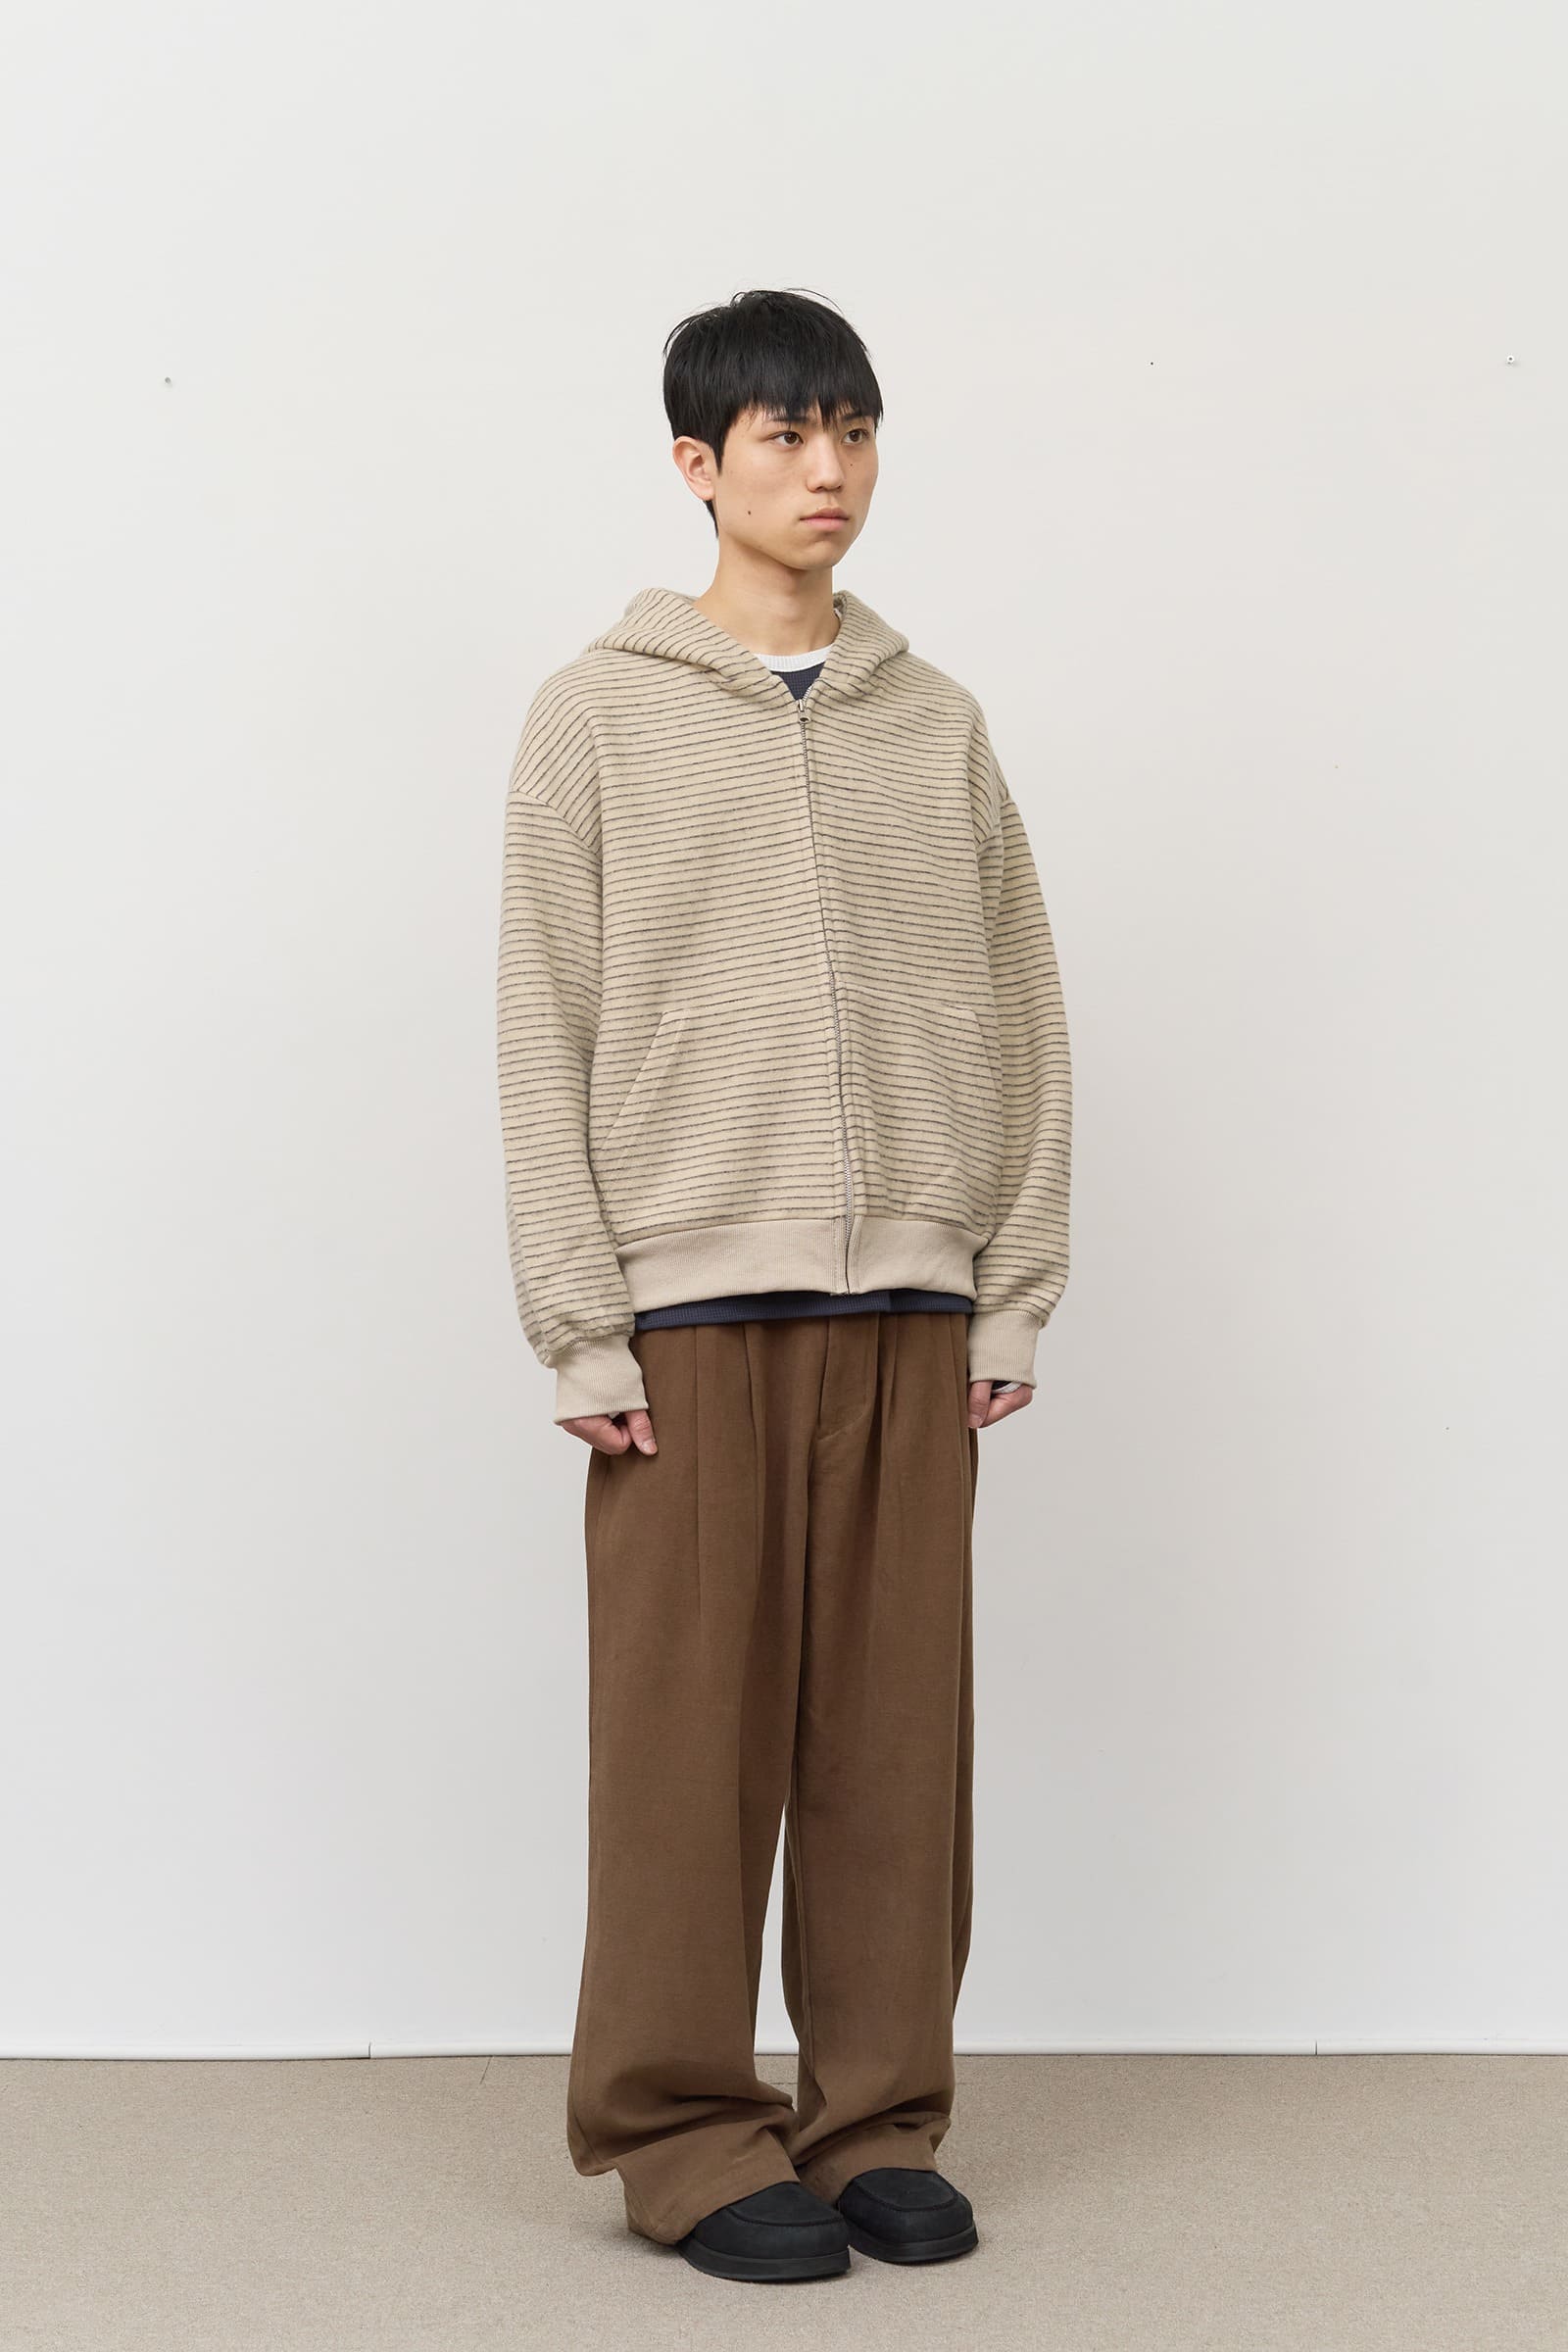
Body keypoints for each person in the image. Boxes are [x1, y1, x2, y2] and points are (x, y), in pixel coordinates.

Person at [495, 287, 1072, 2283]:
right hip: (684, 1314)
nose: (828, 472)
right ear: (697, 464)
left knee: (893, 1750)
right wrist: (578, 1315)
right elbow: (541, 1023)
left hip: (911, 1301)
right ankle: (677, 2131)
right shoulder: (596, 715)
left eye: (854, 430)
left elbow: (1023, 1004)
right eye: (783, 436)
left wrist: (1010, 1283)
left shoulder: (937, 723)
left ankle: (875, 2116)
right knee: (685, 1750)